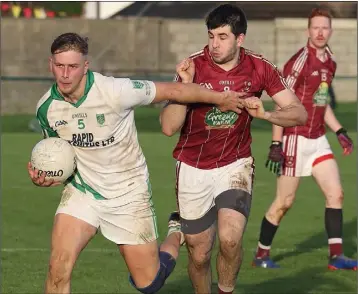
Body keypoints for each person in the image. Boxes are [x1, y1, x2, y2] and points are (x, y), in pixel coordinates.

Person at [27, 32, 249, 294]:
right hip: (83, 192)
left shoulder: (115, 91)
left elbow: (174, 90)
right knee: (58, 268)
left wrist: (220, 98)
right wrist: (47, 176)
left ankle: (175, 232)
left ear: (85, 66)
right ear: (50, 64)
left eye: (73, 66)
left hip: (128, 194)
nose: (65, 74)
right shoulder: (47, 108)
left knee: (150, 283)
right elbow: (57, 154)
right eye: (59, 65)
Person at [160, 4, 307, 294]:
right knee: (199, 253)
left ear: (240, 39)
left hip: (234, 164)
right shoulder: (193, 66)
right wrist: (186, 90)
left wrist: (265, 116)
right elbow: (167, 127)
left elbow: (298, 112)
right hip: (192, 167)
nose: (214, 44)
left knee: (229, 240)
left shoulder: (259, 67)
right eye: (211, 36)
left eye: (223, 37)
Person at [252, 8, 356, 270]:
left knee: (336, 194)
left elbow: (322, 104)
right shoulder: (298, 62)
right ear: (308, 31)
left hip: (318, 139)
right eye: (315, 27)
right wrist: (276, 143)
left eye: (325, 28)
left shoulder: (330, 62)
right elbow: (281, 102)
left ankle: (336, 257)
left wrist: (340, 131)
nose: (320, 32)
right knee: (284, 202)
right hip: (294, 140)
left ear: (331, 31)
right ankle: (261, 255)